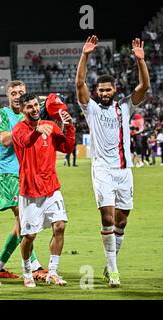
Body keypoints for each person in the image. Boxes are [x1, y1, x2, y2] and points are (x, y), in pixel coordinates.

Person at [76, 36, 150, 287]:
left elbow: (144, 86)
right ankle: (114, 270)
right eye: (101, 90)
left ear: (114, 90)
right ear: (97, 93)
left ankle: (111, 263)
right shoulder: (92, 109)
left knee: (122, 220)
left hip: (124, 171)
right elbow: (79, 83)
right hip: (103, 170)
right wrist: (85, 55)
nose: (105, 93)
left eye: (108, 90)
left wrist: (140, 61)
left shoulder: (125, 107)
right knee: (107, 218)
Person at [12, 93, 75, 288]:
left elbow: (67, 147)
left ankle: (53, 272)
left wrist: (70, 127)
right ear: (23, 110)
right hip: (30, 191)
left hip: (51, 187)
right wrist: (37, 131)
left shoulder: (52, 126)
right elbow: (26, 142)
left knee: (60, 226)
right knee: (29, 236)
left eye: (35, 105)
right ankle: (27, 271)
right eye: (29, 107)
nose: (34, 109)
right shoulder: (18, 130)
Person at [0, 80, 47, 282]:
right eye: (13, 92)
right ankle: (35, 266)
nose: (17, 95)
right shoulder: (2, 114)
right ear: (8, 95)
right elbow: (4, 139)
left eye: (21, 92)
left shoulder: (28, 117)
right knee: (24, 220)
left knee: (21, 223)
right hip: (7, 174)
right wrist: (28, 130)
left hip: (26, 174)